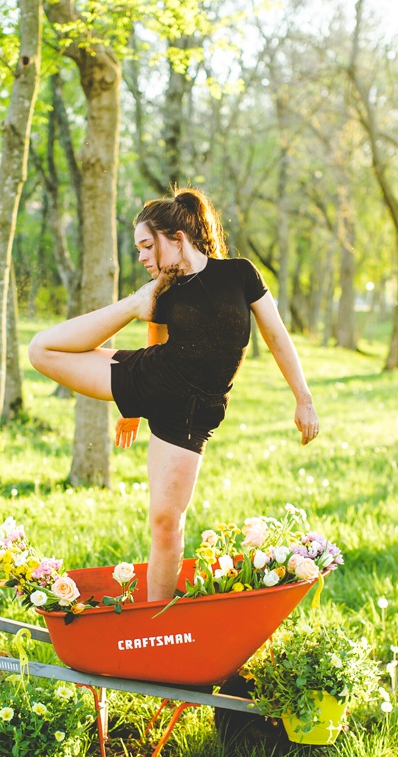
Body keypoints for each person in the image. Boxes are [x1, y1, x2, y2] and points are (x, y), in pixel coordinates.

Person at [28, 188, 319, 601]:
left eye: (148, 246)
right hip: (149, 380)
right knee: (40, 348)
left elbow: (276, 335)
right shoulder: (163, 291)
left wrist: (303, 398)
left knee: (166, 521)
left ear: (177, 238)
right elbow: (154, 339)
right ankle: (128, 304)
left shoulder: (238, 273)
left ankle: (160, 619)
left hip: (192, 415)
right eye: (138, 249)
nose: (143, 257)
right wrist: (131, 404)